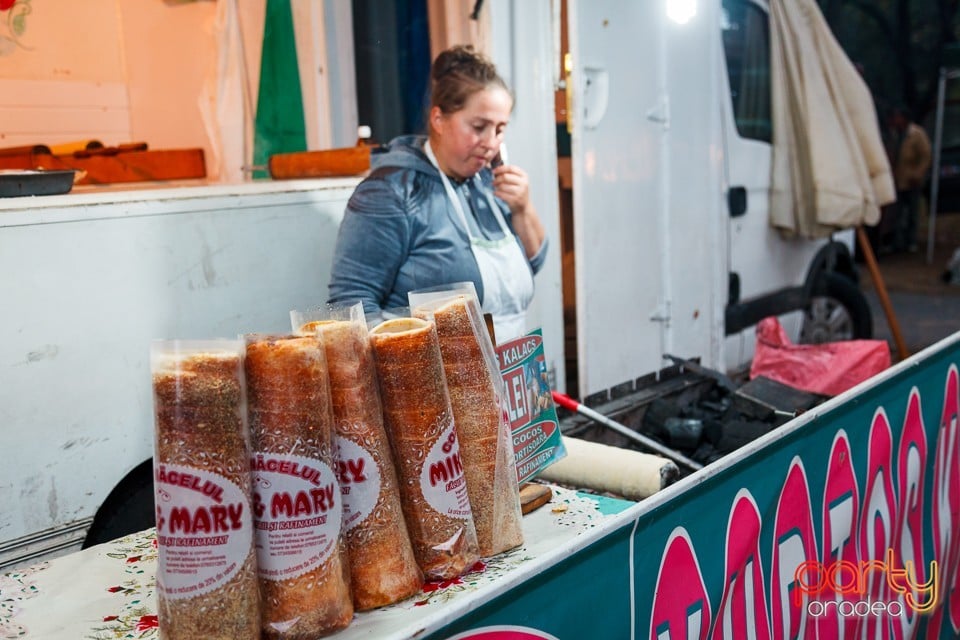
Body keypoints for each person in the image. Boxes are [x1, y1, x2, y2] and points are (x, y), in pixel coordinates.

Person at [327, 45, 547, 341]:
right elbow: (349, 306)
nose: (491, 142)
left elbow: (533, 264)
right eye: (479, 126)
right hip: (431, 380)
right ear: (439, 119)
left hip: (509, 377)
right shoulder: (389, 192)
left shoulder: (487, 182)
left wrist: (523, 209)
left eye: (500, 129)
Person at [887, 106, 932, 253]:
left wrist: (918, 175)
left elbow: (925, 156)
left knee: (913, 212)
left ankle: (911, 241)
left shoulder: (917, 134)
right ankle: (897, 242)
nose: (895, 120)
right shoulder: (894, 133)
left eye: (897, 117)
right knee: (897, 213)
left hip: (912, 180)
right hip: (898, 180)